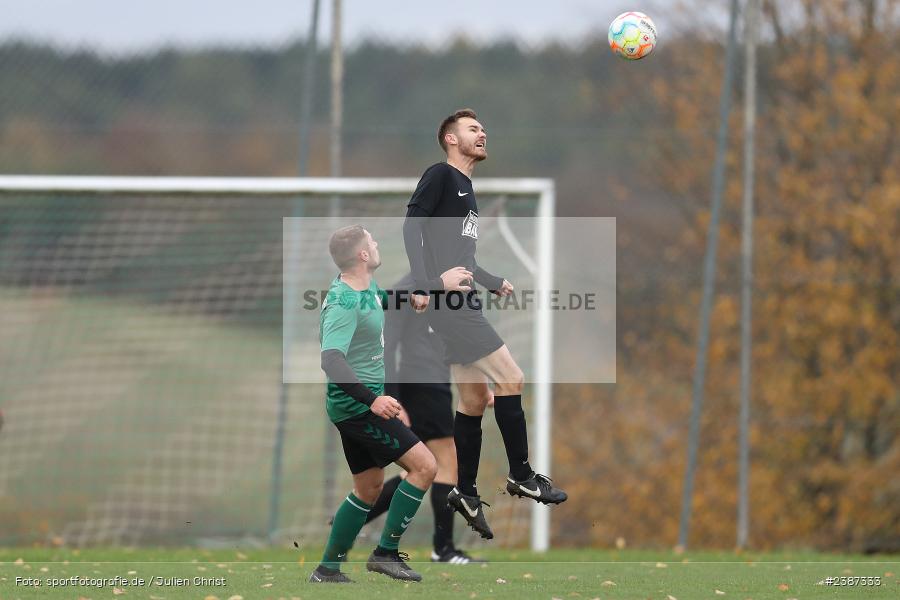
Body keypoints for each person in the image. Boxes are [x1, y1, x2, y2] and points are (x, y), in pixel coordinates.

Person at [402, 109, 568, 540]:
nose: (482, 133)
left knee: (474, 400)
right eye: (473, 129)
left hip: (463, 299)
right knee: (512, 378)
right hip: (451, 305)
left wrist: (492, 282)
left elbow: (465, 260)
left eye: (483, 128)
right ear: (451, 139)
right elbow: (411, 225)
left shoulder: (466, 189)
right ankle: (522, 475)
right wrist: (425, 284)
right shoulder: (440, 174)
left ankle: (465, 491)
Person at [309, 225, 437, 584]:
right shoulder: (342, 301)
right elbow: (331, 359)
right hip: (359, 408)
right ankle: (386, 554)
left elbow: (384, 301)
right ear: (363, 255)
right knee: (425, 467)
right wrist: (373, 399)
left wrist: (418, 294)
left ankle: (327, 570)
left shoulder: (364, 289)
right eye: (372, 241)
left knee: (368, 489)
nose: (377, 244)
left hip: (353, 407)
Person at [358, 272, 486, 564]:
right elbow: (386, 346)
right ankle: (443, 550)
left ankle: (347, 522)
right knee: (446, 464)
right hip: (421, 385)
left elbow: (467, 340)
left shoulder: (457, 282)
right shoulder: (408, 286)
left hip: (436, 384)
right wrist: (392, 397)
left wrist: (482, 385)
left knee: (420, 470)